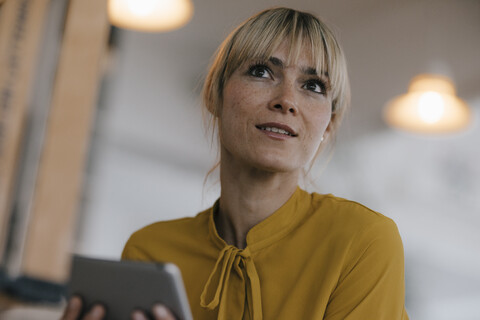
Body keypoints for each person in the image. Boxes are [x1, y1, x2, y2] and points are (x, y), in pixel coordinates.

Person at [62, 7, 409, 320]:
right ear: (215, 94)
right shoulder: (149, 251)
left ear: (329, 124)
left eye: (313, 85)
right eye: (261, 71)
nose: (286, 100)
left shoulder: (362, 243)